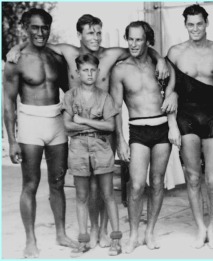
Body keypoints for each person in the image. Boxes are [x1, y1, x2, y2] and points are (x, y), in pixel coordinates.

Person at [7, 14, 177, 249]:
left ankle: (104, 231)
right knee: (86, 185)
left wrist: (159, 59)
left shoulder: (111, 54)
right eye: (90, 32)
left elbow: (142, 47)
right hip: (77, 131)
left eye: (98, 32)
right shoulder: (67, 52)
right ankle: (92, 231)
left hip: (104, 128)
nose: (95, 37)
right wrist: (16, 46)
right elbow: (39, 41)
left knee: (104, 184)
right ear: (79, 35)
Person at [3, 8, 77, 258]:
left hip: (56, 123)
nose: (40, 32)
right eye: (34, 27)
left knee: (57, 182)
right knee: (30, 184)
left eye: (44, 27)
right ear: (26, 28)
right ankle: (30, 241)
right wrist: (11, 141)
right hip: (30, 125)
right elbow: (8, 103)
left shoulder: (56, 57)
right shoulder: (16, 60)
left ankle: (60, 233)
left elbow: (69, 92)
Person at [110, 20, 180, 254]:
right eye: (130, 38)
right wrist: (120, 139)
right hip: (137, 130)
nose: (133, 44)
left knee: (158, 182)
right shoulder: (120, 69)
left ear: (147, 41)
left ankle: (149, 231)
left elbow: (172, 79)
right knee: (138, 185)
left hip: (161, 127)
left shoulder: (158, 62)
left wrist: (173, 95)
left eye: (139, 39)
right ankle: (133, 235)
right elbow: (117, 108)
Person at [166, 4, 213, 249]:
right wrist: (172, 125)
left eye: (199, 24)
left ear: (206, 23)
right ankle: (200, 228)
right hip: (186, 116)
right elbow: (167, 91)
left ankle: (212, 228)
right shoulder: (175, 52)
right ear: (185, 25)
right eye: (190, 24)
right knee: (193, 178)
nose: (195, 28)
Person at [62, 53, 122, 256]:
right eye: (85, 70)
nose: (89, 74)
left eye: (92, 70)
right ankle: (83, 240)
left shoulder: (104, 97)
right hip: (78, 148)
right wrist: (90, 125)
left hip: (101, 146)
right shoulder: (70, 96)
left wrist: (83, 121)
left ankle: (115, 239)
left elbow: (110, 125)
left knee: (108, 194)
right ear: (78, 73)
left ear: (97, 72)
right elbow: (67, 126)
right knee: (81, 196)